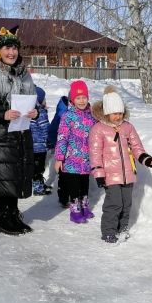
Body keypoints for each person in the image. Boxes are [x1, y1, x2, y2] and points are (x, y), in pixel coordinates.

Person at [0, 26, 38, 235]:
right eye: (7, 49)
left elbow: (33, 102)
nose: (11, 53)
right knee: (2, 177)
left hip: (20, 134)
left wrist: (34, 112)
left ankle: (13, 216)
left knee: (14, 176)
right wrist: (2, 114)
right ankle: (4, 220)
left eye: (14, 49)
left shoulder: (24, 73)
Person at [89, 86, 152, 243]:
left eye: (120, 113)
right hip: (110, 175)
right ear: (106, 113)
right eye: (114, 114)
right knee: (114, 204)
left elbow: (137, 147)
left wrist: (145, 158)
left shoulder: (127, 127)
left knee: (126, 204)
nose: (118, 117)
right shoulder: (98, 129)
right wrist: (98, 173)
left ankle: (123, 228)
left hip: (127, 173)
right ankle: (109, 231)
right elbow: (95, 153)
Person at [54, 80, 96, 223]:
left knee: (84, 184)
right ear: (72, 99)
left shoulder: (92, 116)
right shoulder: (68, 116)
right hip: (71, 160)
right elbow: (62, 137)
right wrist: (59, 158)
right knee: (74, 186)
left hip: (86, 159)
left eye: (84, 97)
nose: (82, 101)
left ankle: (84, 206)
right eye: (78, 98)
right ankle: (75, 210)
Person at [47, 95, 69, 207]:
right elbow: (54, 129)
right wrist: (52, 142)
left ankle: (65, 196)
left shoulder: (63, 110)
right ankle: (63, 198)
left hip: (69, 147)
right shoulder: (63, 113)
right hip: (60, 146)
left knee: (65, 172)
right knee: (62, 172)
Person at [30, 86, 52, 195]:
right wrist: (49, 140)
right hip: (39, 147)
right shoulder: (41, 112)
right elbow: (45, 129)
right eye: (44, 99)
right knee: (38, 168)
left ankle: (38, 185)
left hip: (30, 146)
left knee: (34, 167)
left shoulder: (28, 112)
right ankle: (38, 188)